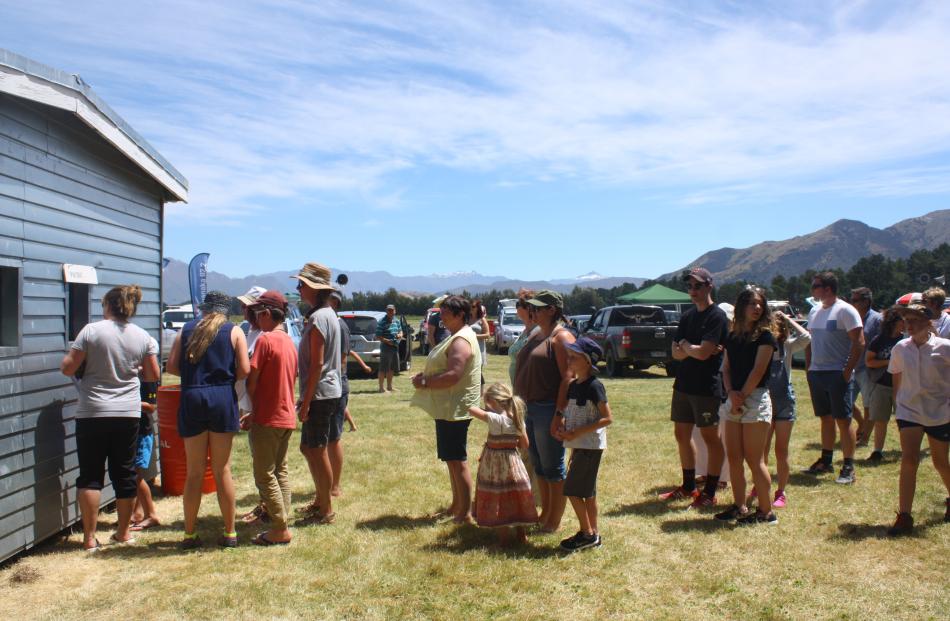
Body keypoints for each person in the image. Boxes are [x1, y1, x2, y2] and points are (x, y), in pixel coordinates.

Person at [60, 285, 160, 551]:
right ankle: (124, 532)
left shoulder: (91, 331)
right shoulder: (142, 336)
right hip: (127, 413)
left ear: (108, 305)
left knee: (90, 475)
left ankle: (89, 538)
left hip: (92, 411)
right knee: (124, 473)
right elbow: (152, 375)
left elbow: (68, 367)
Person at [166, 290, 250, 549]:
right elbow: (245, 369)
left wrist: (194, 377)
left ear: (203, 309)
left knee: (194, 471)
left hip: (192, 396)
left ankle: (189, 533)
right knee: (222, 469)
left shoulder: (186, 330)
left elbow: (171, 367)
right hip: (221, 397)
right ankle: (230, 532)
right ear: (225, 311)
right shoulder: (234, 331)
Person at [660, 267, 729, 508]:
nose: (692, 290)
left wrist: (688, 348)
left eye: (697, 286)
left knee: (712, 438)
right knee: (681, 435)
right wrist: (692, 349)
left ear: (709, 286)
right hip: (683, 385)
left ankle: (709, 491)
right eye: (689, 286)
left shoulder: (717, 316)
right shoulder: (688, 317)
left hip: (706, 387)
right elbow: (675, 353)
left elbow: (704, 353)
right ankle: (689, 486)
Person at [411, 295, 482, 524]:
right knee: (452, 460)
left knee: (457, 460)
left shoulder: (461, 340)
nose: (441, 316)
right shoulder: (456, 336)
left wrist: (425, 383)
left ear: (460, 315)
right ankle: (457, 505)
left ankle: (465, 512)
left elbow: (453, 375)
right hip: (449, 408)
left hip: (455, 408)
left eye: (445, 313)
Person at [713, 288, 777, 525]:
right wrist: (731, 394)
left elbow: (758, 371)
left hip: (755, 400)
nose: (757, 308)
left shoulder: (766, 337)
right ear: (741, 307)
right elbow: (726, 368)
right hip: (734, 399)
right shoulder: (732, 337)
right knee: (734, 458)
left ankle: (766, 512)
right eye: (751, 304)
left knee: (755, 459)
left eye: (760, 304)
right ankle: (739, 506)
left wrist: (741, 397)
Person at [885, 303, 950, 535]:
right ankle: (904, 515)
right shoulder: (901, 348)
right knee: (909, 459)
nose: (909, 325)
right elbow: (896, 380)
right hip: (909, 411)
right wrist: (897, 407)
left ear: (928, 322)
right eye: (906, 321)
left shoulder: (945, 348)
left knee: (940, 462)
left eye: (913, 320)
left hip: (939, 412)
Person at [514, 289, 576, 532]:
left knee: (553, 466)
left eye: (538, 308)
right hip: (531, 408)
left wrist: (559, 414)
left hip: (547, 408)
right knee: (540, 465)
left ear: (552, 310)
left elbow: (568, 378)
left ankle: (554, 520)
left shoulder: (561, 338)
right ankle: (545, 513)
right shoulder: (540, 334)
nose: (533, 312)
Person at [245, 290, 298, 545]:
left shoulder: (265, 341)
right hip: (287, 416)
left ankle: (280, 527)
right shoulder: (289, 340)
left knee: (264, 474)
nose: (256, 318)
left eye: (258, 313)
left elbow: (252, 381)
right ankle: (283, 519)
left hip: (268, 417)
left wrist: (252, 412)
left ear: (266, 313)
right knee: (281, 471)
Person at [803, 271, 864, 485]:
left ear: (827, 288)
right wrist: (809, 368)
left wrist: (847, 371)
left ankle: (848, 466)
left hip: (837, 373)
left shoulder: (846, 311)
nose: (812, 290)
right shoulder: (815, 311)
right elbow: (809, 340)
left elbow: (859, 343)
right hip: (818, 374)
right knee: (826, 418)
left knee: (843, 420)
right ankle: (826, 460)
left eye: (815, 286)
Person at [293, 262, 342, 524]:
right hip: (326, 391)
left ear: (314, 287)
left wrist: (306, 401)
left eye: (301, 284)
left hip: (321, 393)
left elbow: (316, 364)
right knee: (308, 447)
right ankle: (321, 500)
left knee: (317, 449)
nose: (298, 289)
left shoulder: (318, 318)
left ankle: (326, 509)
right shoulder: (327, 314)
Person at [554, 337, 612, 551]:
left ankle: (587, 534)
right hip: (579, 446)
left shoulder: (594, 386)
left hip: (590, 447)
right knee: (588, 492)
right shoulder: (573, 386)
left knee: (571, 490)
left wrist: (577, 432)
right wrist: (565, 431)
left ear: (588, 362)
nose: (569, 360)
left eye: (574, 357)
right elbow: (572, 415)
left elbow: (607, 418)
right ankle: (593, 532)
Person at [468, 382, 537, 546]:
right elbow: (525, 445)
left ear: (492, 400)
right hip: (513, 463)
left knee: (498, 496)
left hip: (494, 466)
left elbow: (471, 409)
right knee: (516, 495)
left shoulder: (495, 419)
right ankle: (521, 535)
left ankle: (504, 539)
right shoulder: (518, 419)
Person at [763, 309, 810, 508]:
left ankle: (781, 491)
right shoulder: (762, 347)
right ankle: (760, 485)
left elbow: (806, 337)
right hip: (765, 400)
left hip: (784, 401)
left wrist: (788, 319)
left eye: (777, 327)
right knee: (761, 450)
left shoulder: (788, 346)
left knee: (781, 450)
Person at [329, 288, 371, 495]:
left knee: (334, 437)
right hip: (329, 385)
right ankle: (327, 484)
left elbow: (343, 359)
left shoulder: (340, 325)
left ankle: (334, 486)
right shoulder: (326, 322)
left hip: (335, 384)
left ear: (334, 303)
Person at [864, 308, 904, 463]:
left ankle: (906, 450)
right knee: (880, 420)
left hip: (902, 387)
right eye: (903, 320)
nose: (906, 323)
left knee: (904, 421)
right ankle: (877, 451)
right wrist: (891, 361)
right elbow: (869, 361)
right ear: (894, 322)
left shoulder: (906, 340)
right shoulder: (879, 340)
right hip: (881, 385)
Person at [849, 287, 882, 446]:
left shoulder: (877, 319)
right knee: (845, 401)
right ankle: (862, 424)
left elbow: (881, 344)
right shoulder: (850, 317)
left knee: (869, 404)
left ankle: (865, 438)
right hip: (851, 366)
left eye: (855, 300)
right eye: (852, 299)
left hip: (868, 369)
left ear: (866, 301)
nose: (852, 303)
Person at [131, 358, 161, 531]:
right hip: (132, 431)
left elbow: (151, 407)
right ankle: (137, 513)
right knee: (133, 474)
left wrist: (129, 402)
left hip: (143, 432)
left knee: (137, 475)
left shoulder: (148, 379)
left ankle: (151, 515)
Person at [507, 290, 538, 385]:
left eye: (518, 304)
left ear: (528, 308)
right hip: (518, 386)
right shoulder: (525, 330)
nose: (516, 308)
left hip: (529, 388)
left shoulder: (537, 331)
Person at [376, 304, 403, 393]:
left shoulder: (397, 321)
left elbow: (400, 330)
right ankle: (381, 388)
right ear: (386, 311)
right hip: (386, 347)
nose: (390, 312)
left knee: (391, 368)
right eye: (388, 310)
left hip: (395, 347)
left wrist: (400, 334)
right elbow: (378, 336)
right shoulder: (382, 322)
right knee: (383, 368)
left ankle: (389, 387)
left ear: (395, 311)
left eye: (392, 310)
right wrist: (387, 341)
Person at [470, 299, 491, 384]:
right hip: (468, 348)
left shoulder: (482, 320)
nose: (471, 308)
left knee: (477, 372)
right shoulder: (466, 319)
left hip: (479, 348)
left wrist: (474, 336)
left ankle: (480, 391)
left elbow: (487, 335)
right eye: (469, 306)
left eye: (473, 306)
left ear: (477, 308)